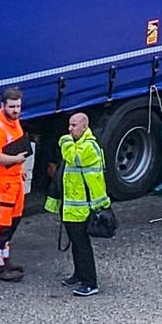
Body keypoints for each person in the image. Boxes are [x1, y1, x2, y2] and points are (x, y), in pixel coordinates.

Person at [44, 111, 111, 297]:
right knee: (75, 242)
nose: (70, 129)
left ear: (84, 127)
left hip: (83, 208)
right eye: (69, 125)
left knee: (82, 245)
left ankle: (90, 282)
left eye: (74, 126)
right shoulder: (77, 144)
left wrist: (64, 141)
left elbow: (74, 158)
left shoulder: (88, 147)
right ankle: (79, 274)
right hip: (73, 207)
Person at [0, 86, 32, 281]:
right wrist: (16, 160)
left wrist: (19, 168)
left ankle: (4, 258)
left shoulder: (12, 122)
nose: (16, 110)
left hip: (13, 180)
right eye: (12, 107)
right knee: (1, 224)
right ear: (2, 105)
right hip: (2, 183)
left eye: (18, 106)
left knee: (13, 220)